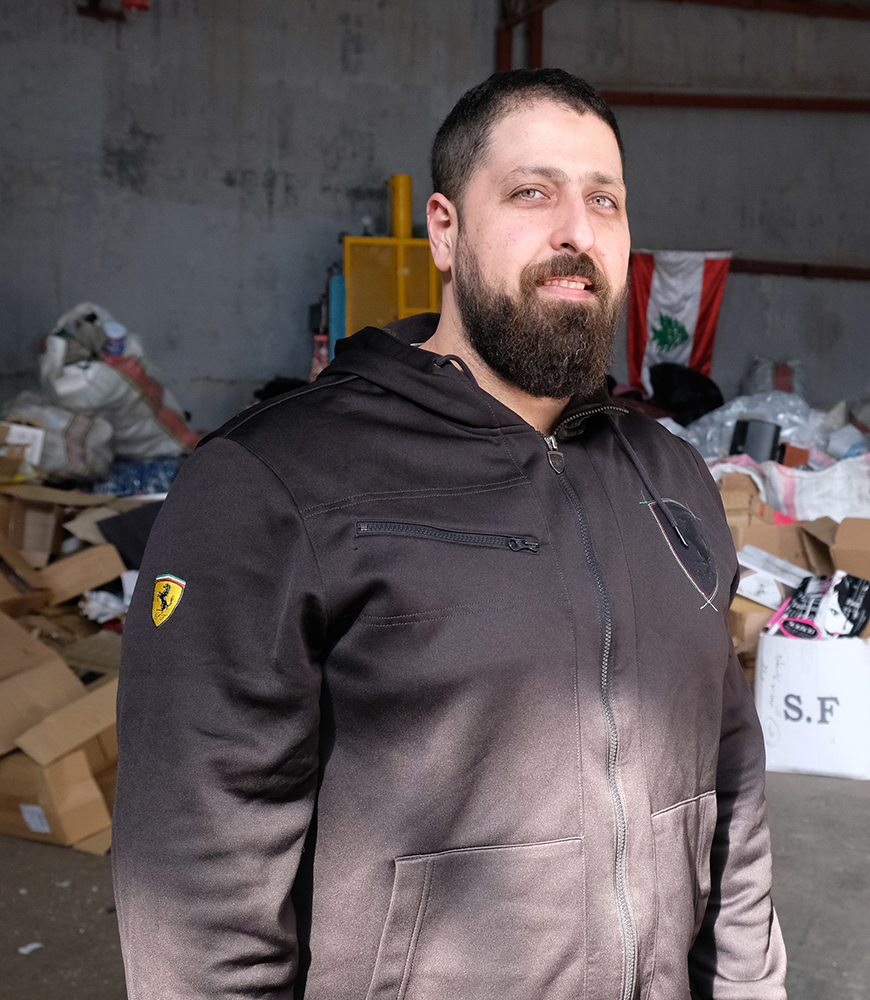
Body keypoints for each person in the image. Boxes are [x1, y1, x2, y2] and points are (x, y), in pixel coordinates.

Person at [112, 69, 786, 1000]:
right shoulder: (278, 482)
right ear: (444, 228)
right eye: (531, 192)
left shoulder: (669, 478)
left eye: (605, 201)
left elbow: (730, 778)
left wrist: (749, 986)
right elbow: (197, 874)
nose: (576, 233)